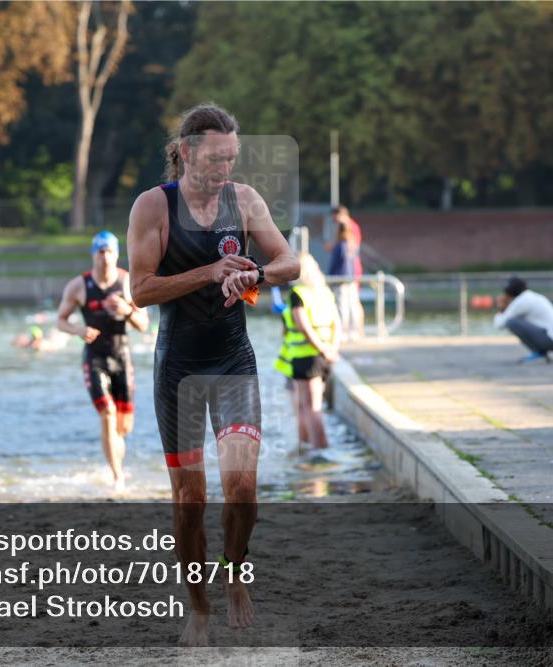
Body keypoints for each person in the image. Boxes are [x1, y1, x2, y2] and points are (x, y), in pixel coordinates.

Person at [127, 103, 299, 646]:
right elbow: (140, 290)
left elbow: (291, 264)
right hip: (177, 365)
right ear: (184, 153)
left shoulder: (244, 200)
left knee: (243, 488)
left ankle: (234, 570)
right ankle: (198, 606)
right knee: (190, 501)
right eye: (216, 159)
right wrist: (209, 272)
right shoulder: (153, 207)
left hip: (233, 361)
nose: (226, 169)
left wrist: (255, 273)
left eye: (233, 158)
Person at [56, 231, 149, 493]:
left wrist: (127, 310)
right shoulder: (79, 286)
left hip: (122, 356)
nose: (105, 257)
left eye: (109, 251)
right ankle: (117, 476)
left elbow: (143, 325)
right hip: (95, 358)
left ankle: (115, 461)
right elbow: (60, 319)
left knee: (123, 427)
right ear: (93, 255)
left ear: (117, 254)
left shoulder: (128, 282)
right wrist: (78, 331)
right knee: (107, 414)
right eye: (100, 252)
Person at [275, 254, 342, 456]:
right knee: (314, 405)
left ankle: (317, 450)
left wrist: (322, 349)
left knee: (309, 407)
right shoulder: (324, 292)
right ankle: (312, 447)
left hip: (305, 357)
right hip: (324, 356)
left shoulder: (298, 294)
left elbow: (303, 326)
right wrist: (331, 349)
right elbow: (336, 324)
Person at [493, 277, 553, 363]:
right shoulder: (532, 296)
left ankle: (538, 352)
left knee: (512, 322)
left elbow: (499, 325)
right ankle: (539, 352)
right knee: (516, 320)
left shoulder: (521, 301)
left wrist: (501, 308)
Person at [331, 205, 364, 340]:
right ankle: (355, 331)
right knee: (352, 302)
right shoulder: (349, 239)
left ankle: (354, 331)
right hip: (351, 272)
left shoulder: (348, 230)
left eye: (335, 218)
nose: (334, 221)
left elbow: (345, 256)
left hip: (347, 273)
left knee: (348, 303)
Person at [327, 221, 359, 340]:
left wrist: (330, 277)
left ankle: (343, 332)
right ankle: (353, 331)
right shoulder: (352, 244)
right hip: (351, 278)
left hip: (340, 278)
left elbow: (335, 263)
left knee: (342, 306)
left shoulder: (340, 245)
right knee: (352, 305)